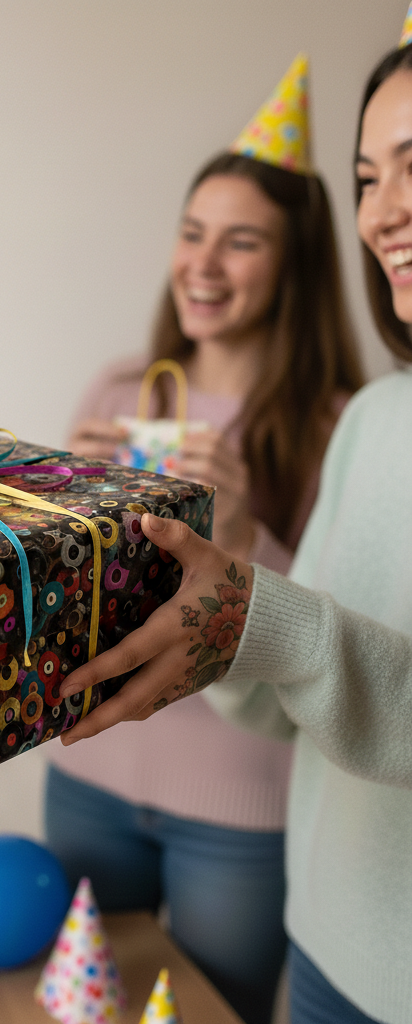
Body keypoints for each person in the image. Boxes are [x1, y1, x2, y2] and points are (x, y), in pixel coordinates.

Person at [57, 31, 412, 1024]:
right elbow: (283, 658)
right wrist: (56, 509)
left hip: (242, 815)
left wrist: (245, 535)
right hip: (287, 891)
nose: (203, 263)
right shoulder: (377, 420)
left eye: (241, 239)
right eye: (367, 178)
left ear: (293, 264)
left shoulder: (326, 420)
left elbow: (299, 633)